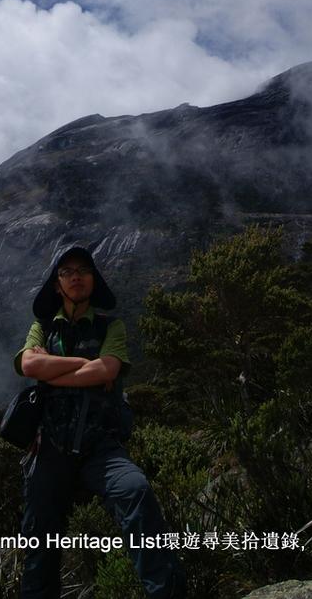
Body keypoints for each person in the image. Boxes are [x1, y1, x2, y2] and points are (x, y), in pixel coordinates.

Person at [14, 244, 186, 599]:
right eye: (67, 272)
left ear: (93, 280)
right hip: (49, 448)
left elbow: (108, 369)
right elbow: (30, 366)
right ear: (57, 285)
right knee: (38, 540)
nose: (75, 276)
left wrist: (55, 371)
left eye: (83, 270)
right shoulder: (42, 327)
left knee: (135, 491)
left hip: (100, 446)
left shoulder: (112, 326)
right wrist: (85, 367)